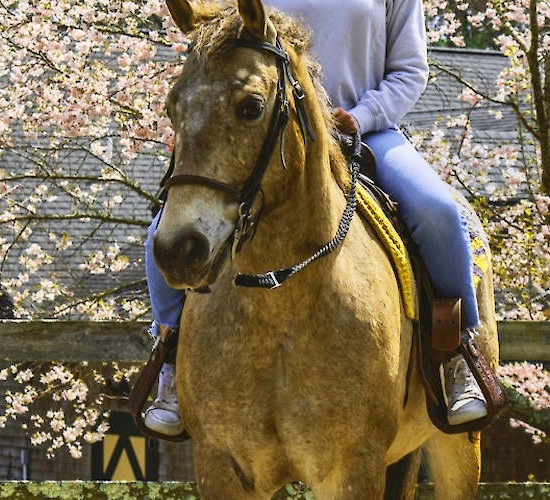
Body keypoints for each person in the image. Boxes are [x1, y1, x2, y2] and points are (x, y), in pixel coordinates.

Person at [142, 0, 488, 437]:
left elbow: (409, 71)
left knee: (439, 212)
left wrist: (361, 117)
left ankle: (458, 356)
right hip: (270, 131)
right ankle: (170, 363)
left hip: (363, 132)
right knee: (160, 231)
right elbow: (221, 44)